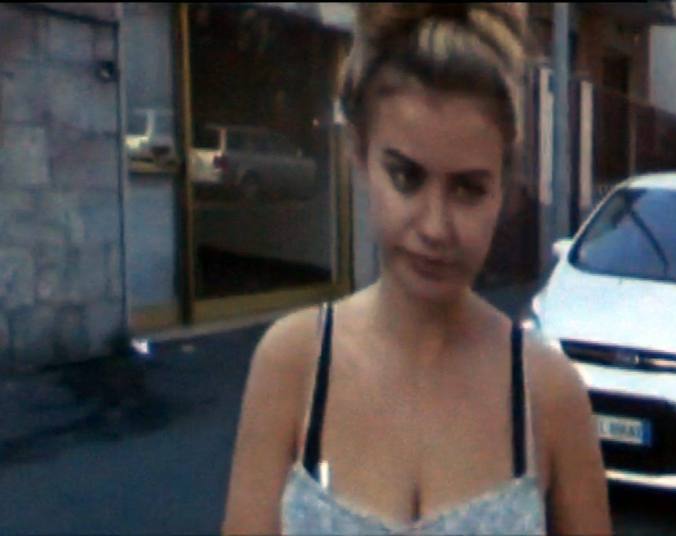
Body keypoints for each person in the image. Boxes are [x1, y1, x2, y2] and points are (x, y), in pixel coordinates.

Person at [221, 4, 611, 535]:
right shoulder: (293, 366)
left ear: (504, 187)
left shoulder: (550, 396)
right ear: (359, 155)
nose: (435, 226)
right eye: (406, 177)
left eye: (468, 189)